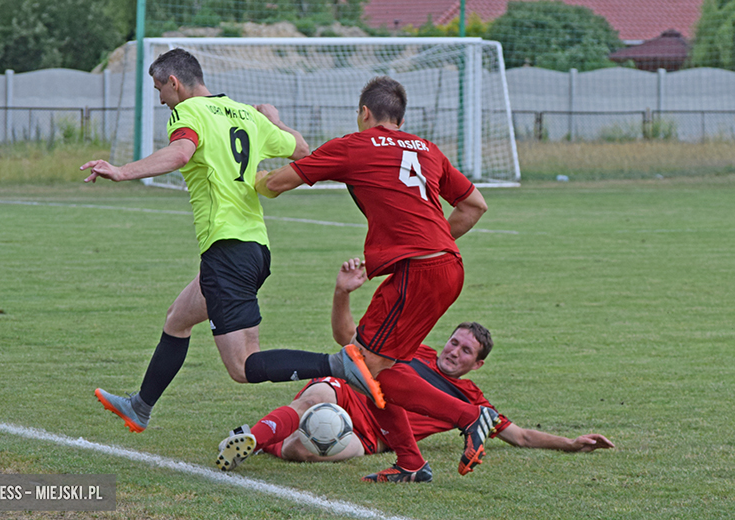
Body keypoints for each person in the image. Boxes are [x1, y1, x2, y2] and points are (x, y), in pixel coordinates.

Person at [79, 48, 380, 438]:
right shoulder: (246, 113)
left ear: (175, 83)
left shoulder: (187, 113)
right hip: (253, 248)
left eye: (160, 89)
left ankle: (339, 365)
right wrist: (276, 121)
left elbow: (181, 151)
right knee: (178, 318)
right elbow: (303, 151)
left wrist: (122, 171)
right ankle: (140, 407)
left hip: (228, 251)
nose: (160, 99)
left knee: (243, 366)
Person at [248, 76, 497, 483]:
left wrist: (248, 180)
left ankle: (469, 416)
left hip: (420, 270)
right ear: (400, 116)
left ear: (364, 112)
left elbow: (277, 183)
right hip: (447, 267)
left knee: (365, 367)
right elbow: (474, 206)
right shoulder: (427, 149)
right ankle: (412, 463)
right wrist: (432, 243)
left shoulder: (354, 144)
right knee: (378, 368)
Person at [221, 259, 614, 467]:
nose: (453, 351)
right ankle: (255, 437)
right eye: (454, 341)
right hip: (349, 397)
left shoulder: (472, 402)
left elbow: (523, 436)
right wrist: (342, 293)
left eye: (464, 352)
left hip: (370, 440)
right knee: (318, 393)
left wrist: (569, 444)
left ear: (476, 365)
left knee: (301, 451)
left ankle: (265, 442)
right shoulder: (409, 349)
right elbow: (346, 338)